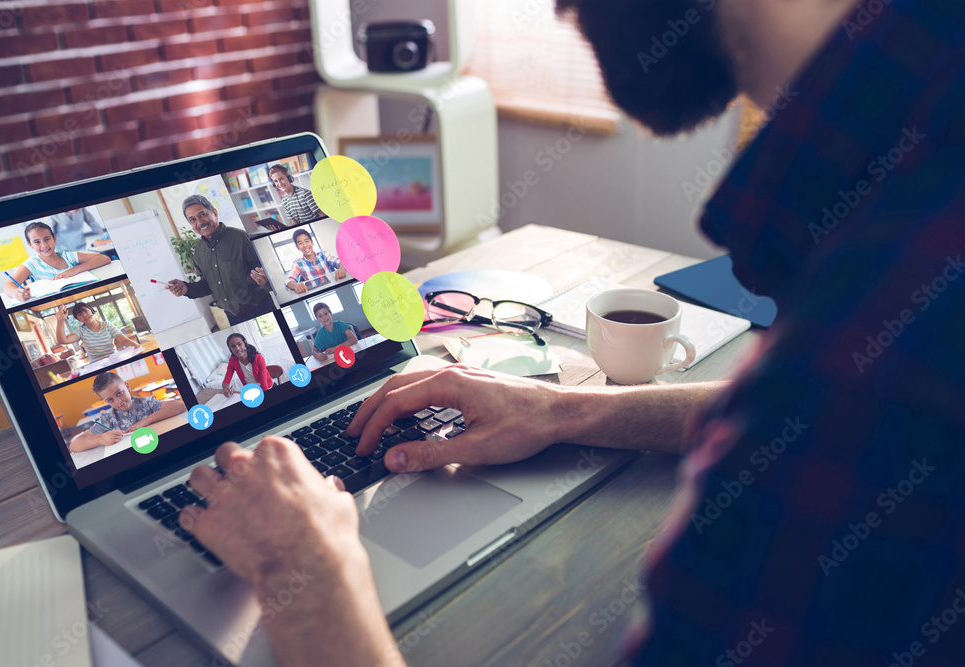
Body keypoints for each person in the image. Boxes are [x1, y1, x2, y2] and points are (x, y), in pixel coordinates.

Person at [177, 1, 964, 665]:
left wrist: (303, 571)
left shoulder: (874, 342)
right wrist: (570, 411)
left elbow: (830, 411)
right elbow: (800, 424)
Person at [166, 195, 274, 326]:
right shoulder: (198, 253)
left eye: (202, 215)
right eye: (192, 219)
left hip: (262, 310)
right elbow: (208, 285)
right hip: (232, 318)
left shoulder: (240, 237)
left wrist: (266, 279)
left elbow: (265, 272)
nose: (199, 222)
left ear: (214, 213)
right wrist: (187, 288)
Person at [69, 372, 185, 453]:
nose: (119, 401)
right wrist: (101, 439)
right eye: (110, 400)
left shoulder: (145, 402)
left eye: (119, 393)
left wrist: (145, 421)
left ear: (127, 387)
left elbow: (179, 406)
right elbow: (74, 445)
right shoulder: (108, 418)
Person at [3, 222, 112, 301]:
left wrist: (75, 269)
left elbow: (104, 258)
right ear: (30, 245)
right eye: (37, 242)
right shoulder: (31, 263)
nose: (44, 245)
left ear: (54, 238)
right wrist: (16, 293)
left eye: (47, 239)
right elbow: (8, 286)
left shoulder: (68, 256)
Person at [55, 302, 138, 363]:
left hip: (114, 360)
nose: (84, 315)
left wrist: (137, 346)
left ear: (91, 310)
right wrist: (60, 321)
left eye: (86, 311)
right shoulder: (81, 331)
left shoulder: (107, 325)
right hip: (96, 365)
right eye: (80, 314)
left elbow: (125, 341)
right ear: (78, 319)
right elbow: (63, 340)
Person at [284, 228, 348, 294]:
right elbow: (288, 281)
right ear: (297, 247)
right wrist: (295, 286)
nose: (305, 245)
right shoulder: (297, 263)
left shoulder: (323, 255)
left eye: (307, 241)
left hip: (336, 289)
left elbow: (341, 261)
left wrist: (341, 269)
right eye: (300, 243)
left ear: (312, 242)